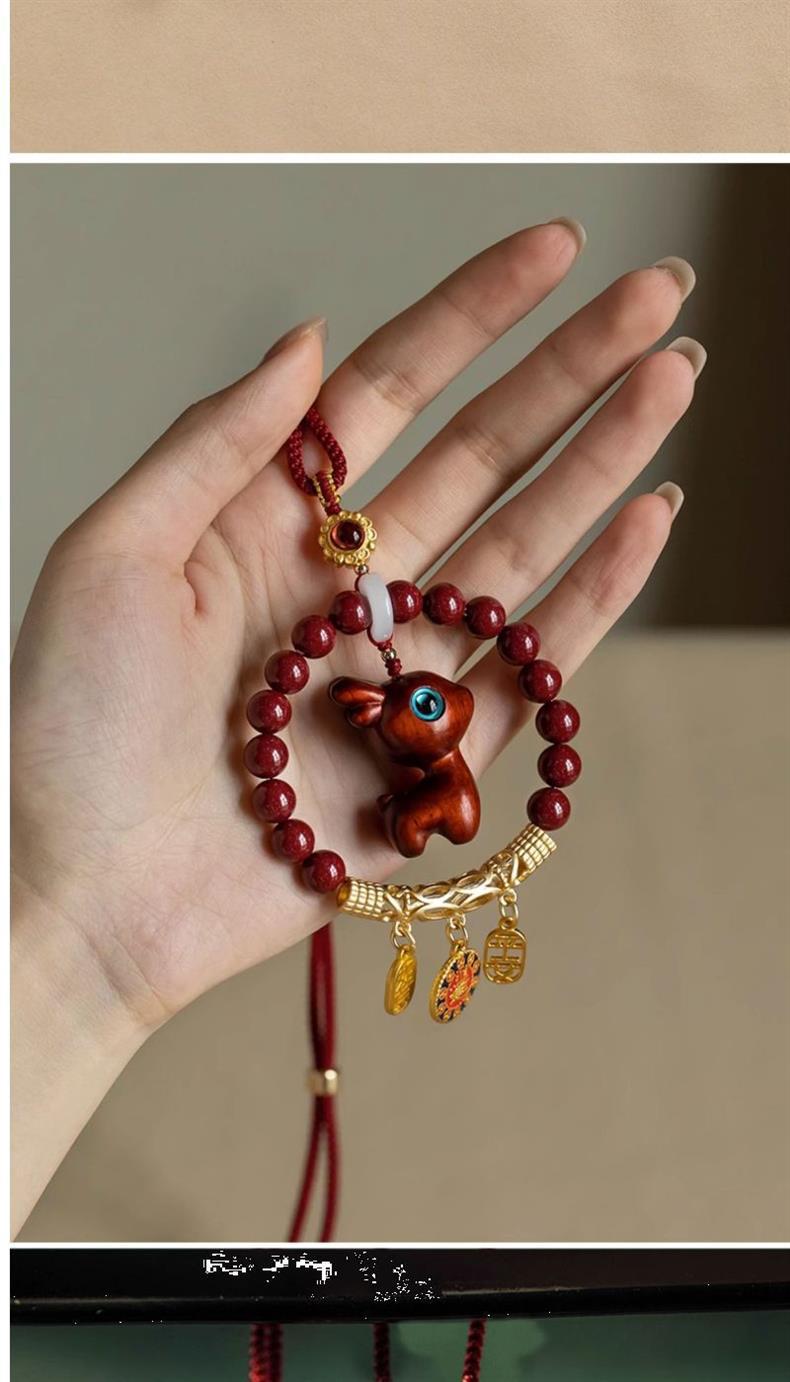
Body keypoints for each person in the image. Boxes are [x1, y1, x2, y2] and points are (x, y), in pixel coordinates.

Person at [11, 221, 704, 1234]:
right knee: (417, 810)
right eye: (420, 709)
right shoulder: (371, 705)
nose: (437, 706)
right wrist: (62, 925)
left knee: (430, 806)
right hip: (404, 789)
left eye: (429, 708)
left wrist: (67, 959)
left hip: (423, 790)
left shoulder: (418, 708)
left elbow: (442, 721)